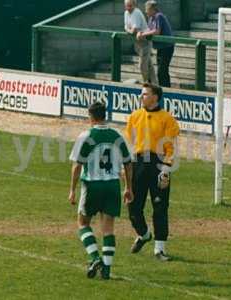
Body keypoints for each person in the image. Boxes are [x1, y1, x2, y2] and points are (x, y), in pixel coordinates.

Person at [69, 102, 133, 279]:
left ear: (91, 116)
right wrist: (128, 187)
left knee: (83, 223)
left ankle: (95, 257)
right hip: (112, 185)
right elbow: (128, 164)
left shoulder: (87, 135)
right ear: (105, 114)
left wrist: (72, 190)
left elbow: (77, 166)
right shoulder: (117, 135)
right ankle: (107, 270)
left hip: (92, 185)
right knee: (108, 229)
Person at [125, 83, 180, 261]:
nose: (141, 97)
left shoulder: (167, 119)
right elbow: (130, 143)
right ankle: (144, 234)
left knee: (160, 207)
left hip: (158, 164)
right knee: (133, 206)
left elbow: (172, 147)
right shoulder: (134, 116)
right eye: (141, 94)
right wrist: (126, 166)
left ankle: (160, 249)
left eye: (145, 94)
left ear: (155, 97)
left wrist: (165, 169)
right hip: (139, 163)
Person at [137, 0, 175, 88]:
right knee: (161, 70)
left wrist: (143, 34)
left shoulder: (159, 16)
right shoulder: (151, 18)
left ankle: (166, 90)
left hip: (167, 47)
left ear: (152, 9)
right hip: (160, 47)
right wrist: (140, 32)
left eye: (147, 9)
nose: (145, 11)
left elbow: (157, 31)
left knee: (162, 70)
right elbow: (148, 29)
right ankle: (163, 89)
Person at [124, 0, 157, 84]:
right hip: (138, 42)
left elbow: (133, 30)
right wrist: (129, 30)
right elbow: (126, 27)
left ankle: (146, 84)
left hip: (145, 41)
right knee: (149, 65)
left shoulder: (136, 12)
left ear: (134, 5)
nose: (128, 8)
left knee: (142, 65)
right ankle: (154, 83)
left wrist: (129, 30)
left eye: (130, 6)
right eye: (127, 6)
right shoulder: (126, 13)